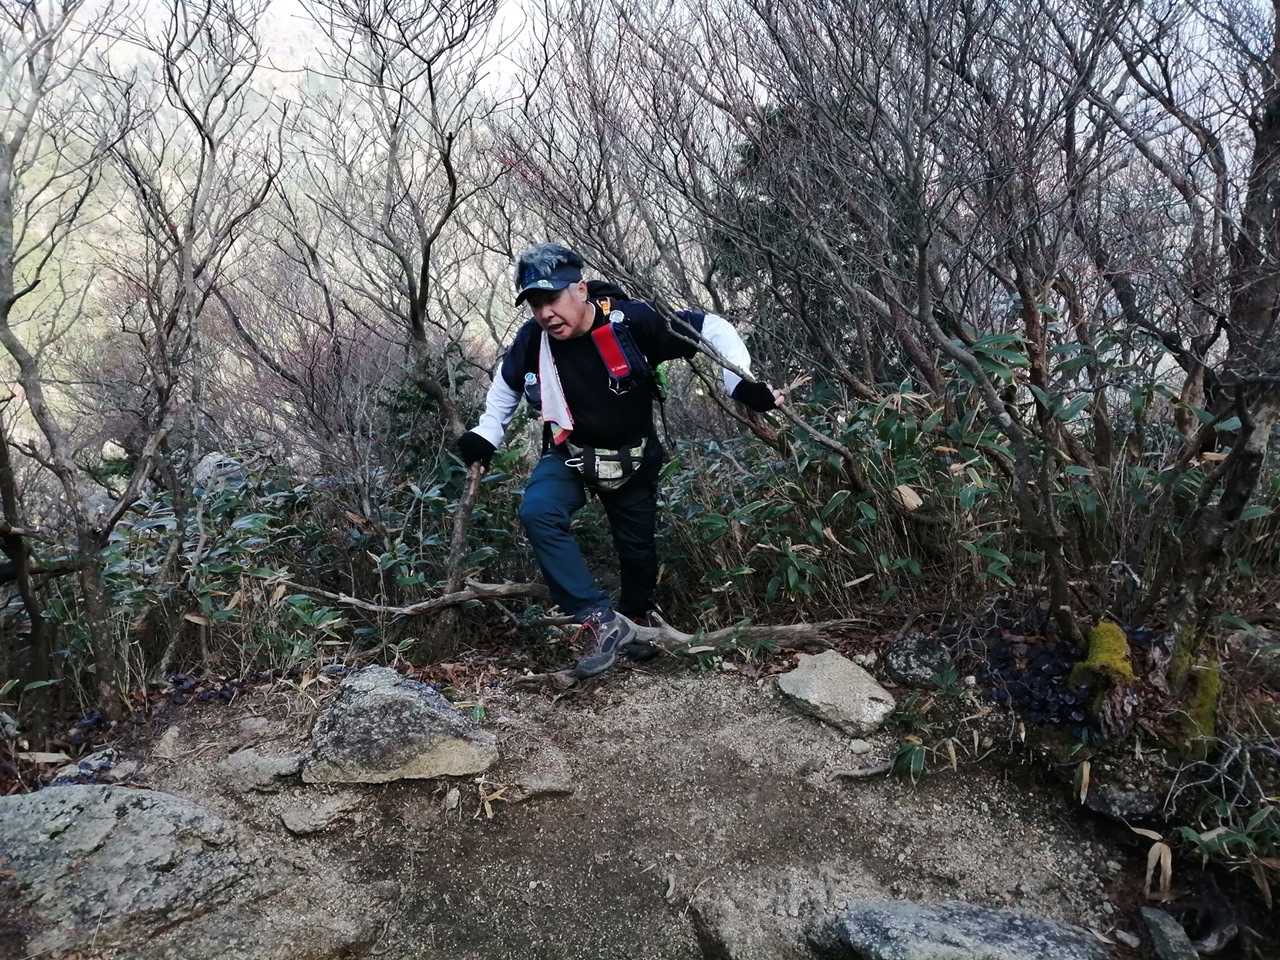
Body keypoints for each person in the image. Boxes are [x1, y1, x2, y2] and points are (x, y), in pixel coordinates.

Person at [455, 243, 782, 678]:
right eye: (535, 304)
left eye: (552, 298)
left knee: (637, 552)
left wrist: (739, 381)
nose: (546, 313)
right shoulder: (534, 339)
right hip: (570, 453)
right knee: (538, 511)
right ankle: (597, 618)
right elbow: (507, 384)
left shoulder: (630, 321)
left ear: (580, 290)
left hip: (633, 459)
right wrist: (486, 432)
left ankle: (636, 623)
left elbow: (710, 327)